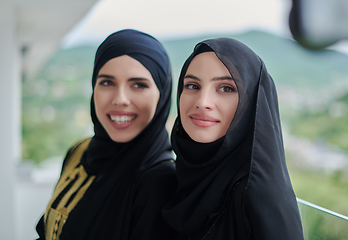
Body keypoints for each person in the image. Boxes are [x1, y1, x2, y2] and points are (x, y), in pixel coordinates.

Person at [35, 29, 176, 240]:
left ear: (162, 94)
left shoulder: (159, 182)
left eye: (138, 85)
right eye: (107, 82)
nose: (120, 99)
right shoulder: (80, 150)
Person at [162, 38, 304, 239]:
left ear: (250, 103)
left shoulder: (258, 197)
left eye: (226, 88)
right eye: (192, 85)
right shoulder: (182, 172)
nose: (203, 103)